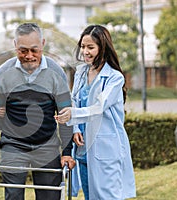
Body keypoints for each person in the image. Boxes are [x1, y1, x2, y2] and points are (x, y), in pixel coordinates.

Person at [0, 22, 76, 200]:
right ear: (15, 45)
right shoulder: (3, 73)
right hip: (13, 145)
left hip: (47, 145)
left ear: (43, 44)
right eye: (23, 51)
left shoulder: (56, 72)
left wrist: (67, 152)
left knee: (50, 197)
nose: (29, 56)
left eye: (35, 50)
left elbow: (65, 115)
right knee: (13, 196)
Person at [55, 25, 136, 200]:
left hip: (105, 148)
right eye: (83, 47)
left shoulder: (114, 77)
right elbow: (74, 100)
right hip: (83, 147)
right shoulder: (81, 72)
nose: (85, 51)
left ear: (103, 47)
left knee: (107, 196)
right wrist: (75, 127)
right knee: (90, 196)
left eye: (90, 47)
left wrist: (73, 114)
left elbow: (100, 107)